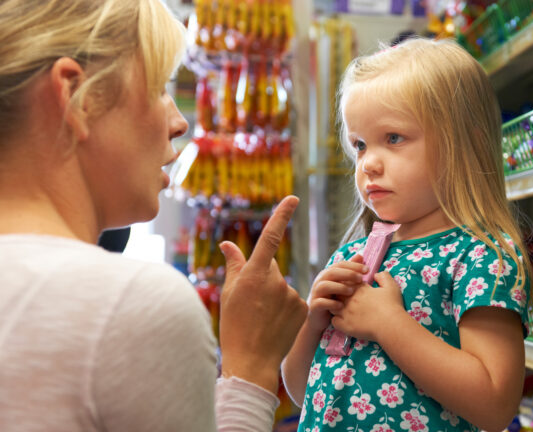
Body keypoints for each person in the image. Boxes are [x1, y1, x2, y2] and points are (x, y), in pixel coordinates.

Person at [0, 1, 306, 431]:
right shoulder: (129, 306)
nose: (179, 122)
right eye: (160, 87)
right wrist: (252, 368)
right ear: (75, 97)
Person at [282, 38, 533, 432]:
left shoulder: (482, 258)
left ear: (462, 144)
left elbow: (494, 404)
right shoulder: (352, 257)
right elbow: (302, 391)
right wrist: (313, 321)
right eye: (360, 145)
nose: (368, 164)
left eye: (394, 139)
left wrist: (389, 324)